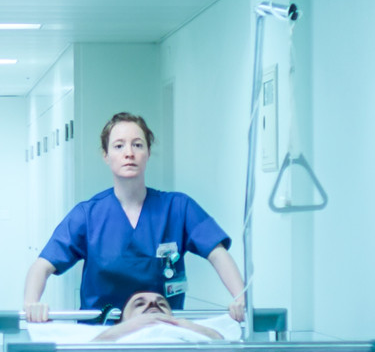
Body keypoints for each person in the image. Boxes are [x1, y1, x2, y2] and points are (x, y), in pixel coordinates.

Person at [23, 111, 247, 322]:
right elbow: (42, 266)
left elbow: (217, 254)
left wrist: (241, 297)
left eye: (138, 145)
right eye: (119, 146)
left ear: (148, 153)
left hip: (162, 333)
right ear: (106, 155)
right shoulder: (88, 215)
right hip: (103, 336)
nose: (129, 153)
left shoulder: (178, 207)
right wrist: (31, 303)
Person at [91, 290, 228, 342]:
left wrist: (186, 325)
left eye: (162, 304)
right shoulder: (115, 339)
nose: (153, 304)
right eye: (139, 304)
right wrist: (128, 327)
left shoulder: (187, 332)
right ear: (121, 321)